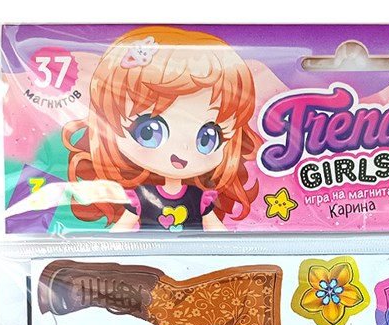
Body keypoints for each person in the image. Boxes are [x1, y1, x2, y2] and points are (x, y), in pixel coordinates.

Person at [63, 27, 260, 232]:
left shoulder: (199, 197)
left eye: (207, 138)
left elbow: (216, 229)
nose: (181, 150)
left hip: (195, 250)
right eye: (148, 132)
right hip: (147, 250)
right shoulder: (140, 196)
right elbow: (121, 229)